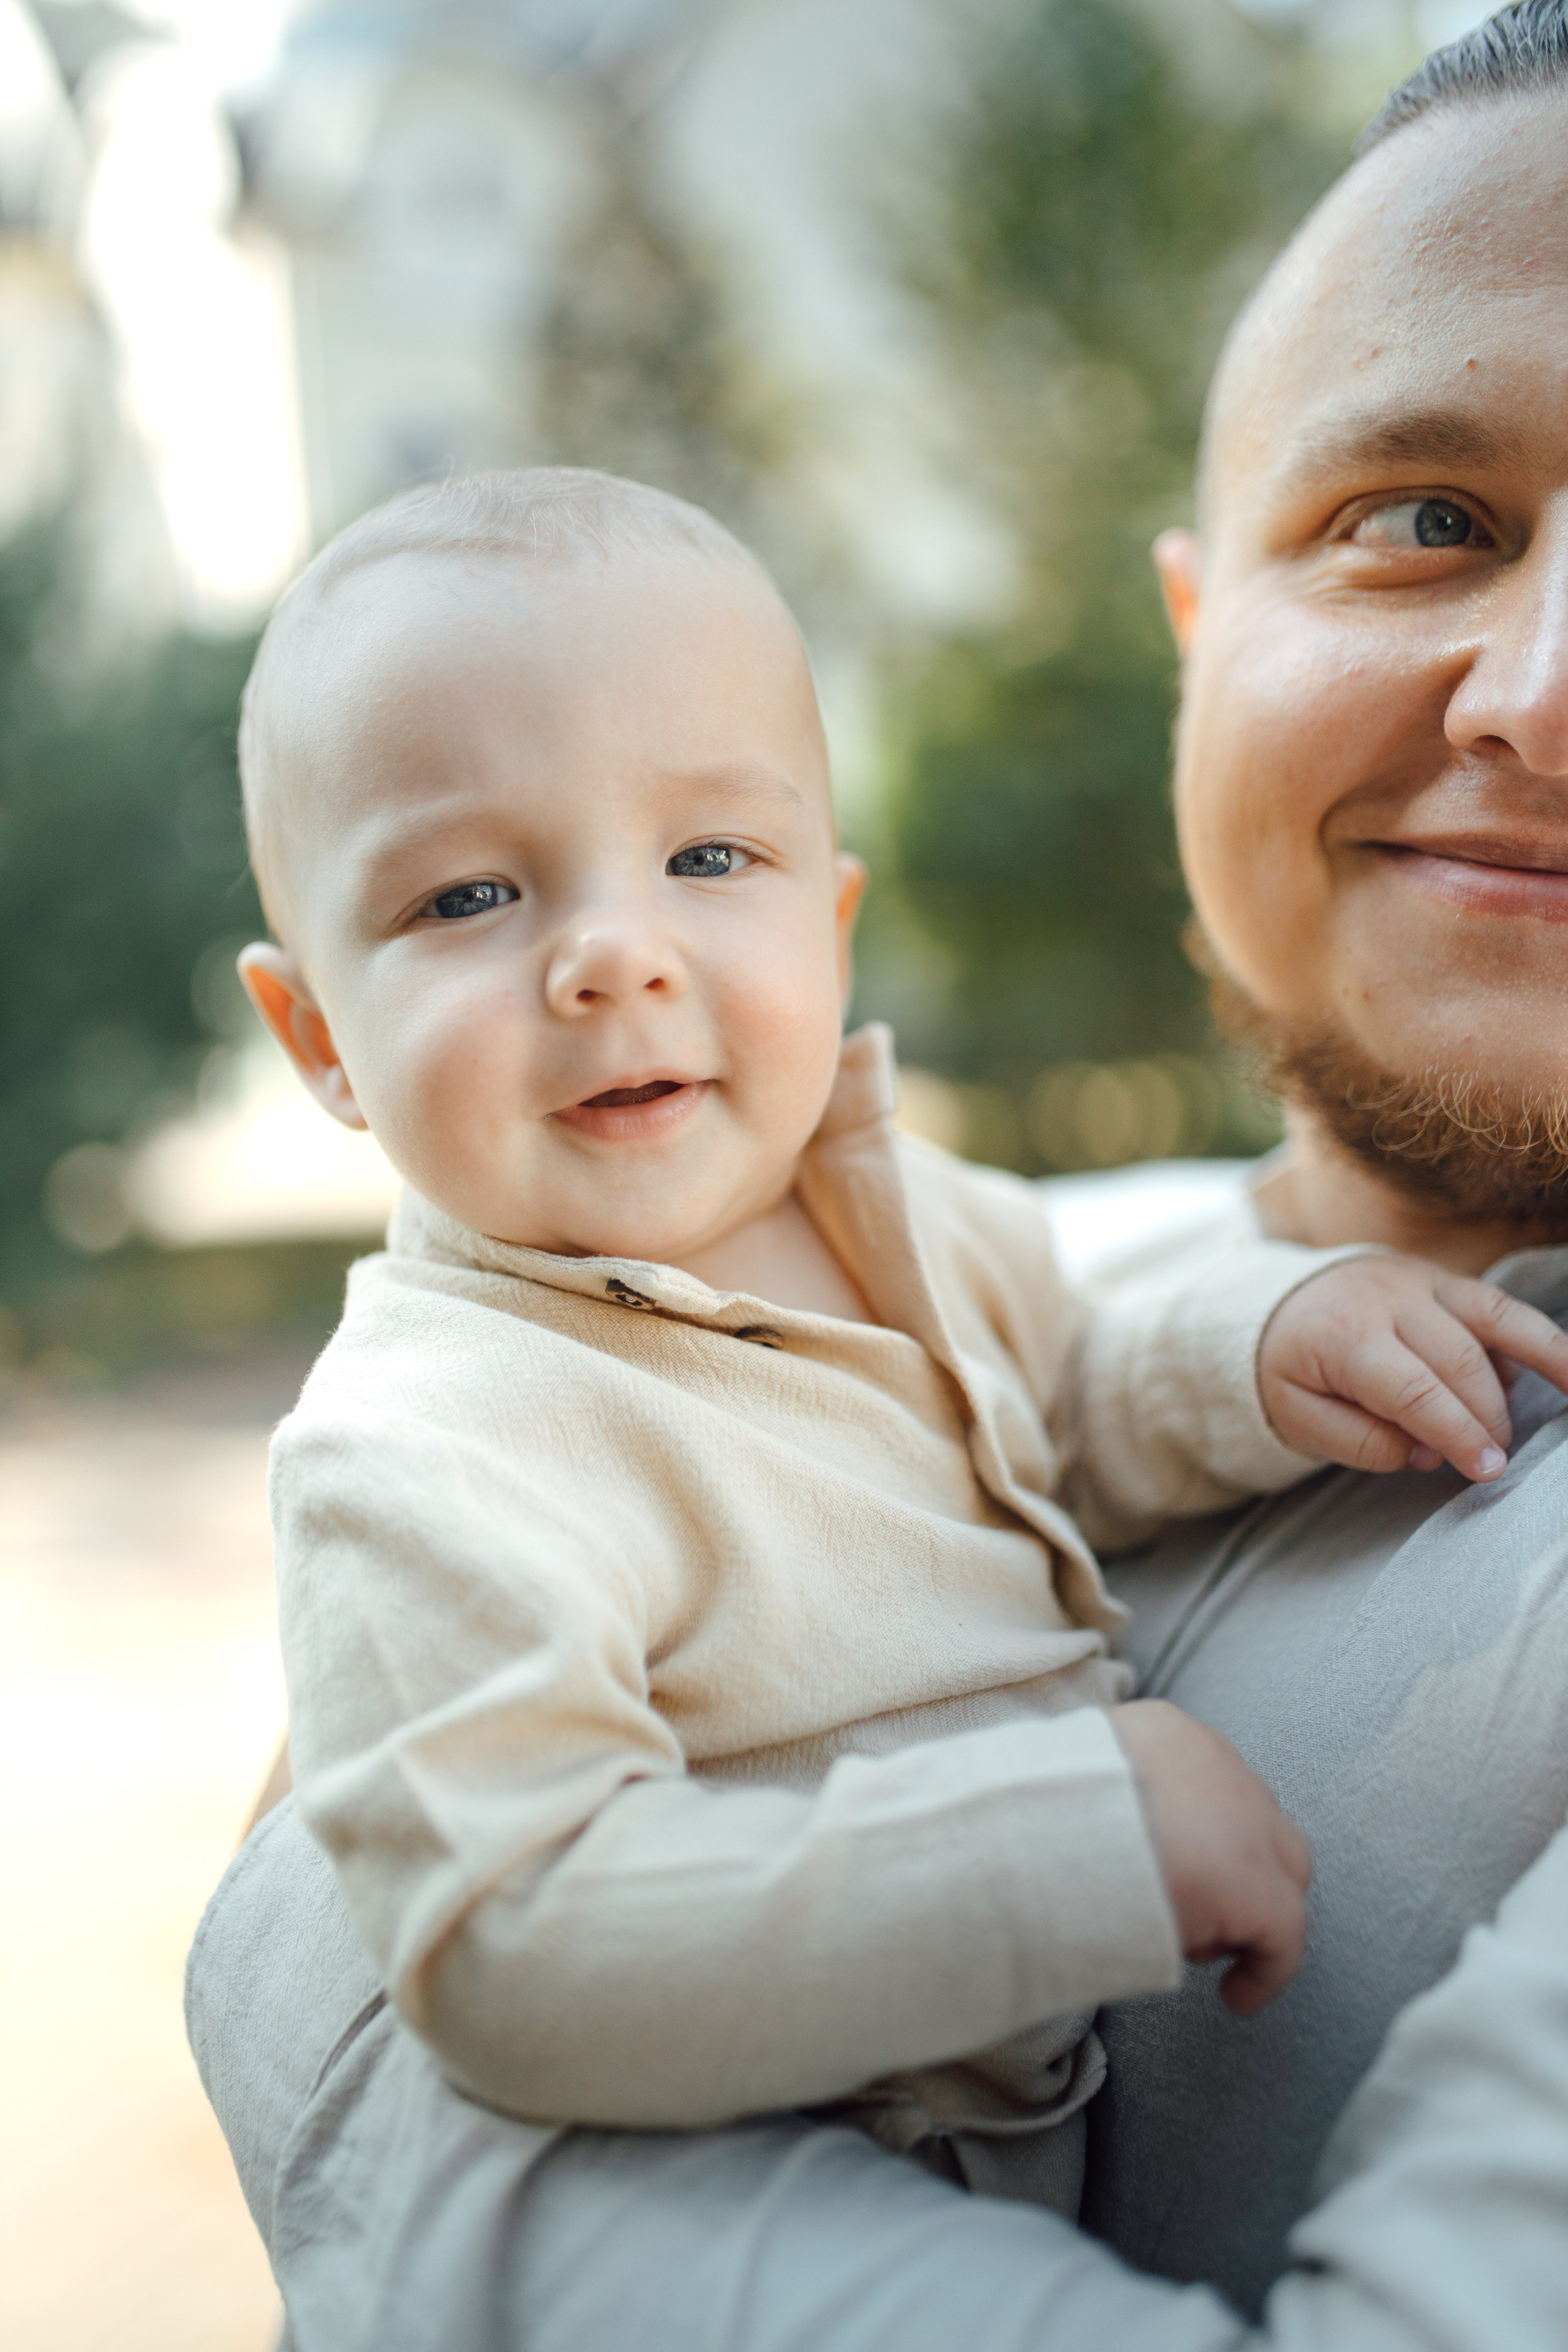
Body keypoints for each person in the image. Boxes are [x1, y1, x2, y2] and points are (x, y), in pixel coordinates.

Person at [186, 6, 1568, 2346]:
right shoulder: (940, 1262)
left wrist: (338, 2032)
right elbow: (1082, 1379)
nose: (1538, 691)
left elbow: (385, 1934)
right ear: (1194, 633)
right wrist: (1257, 1347)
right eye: (1425, 520)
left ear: (819, 911)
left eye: (705, 853)